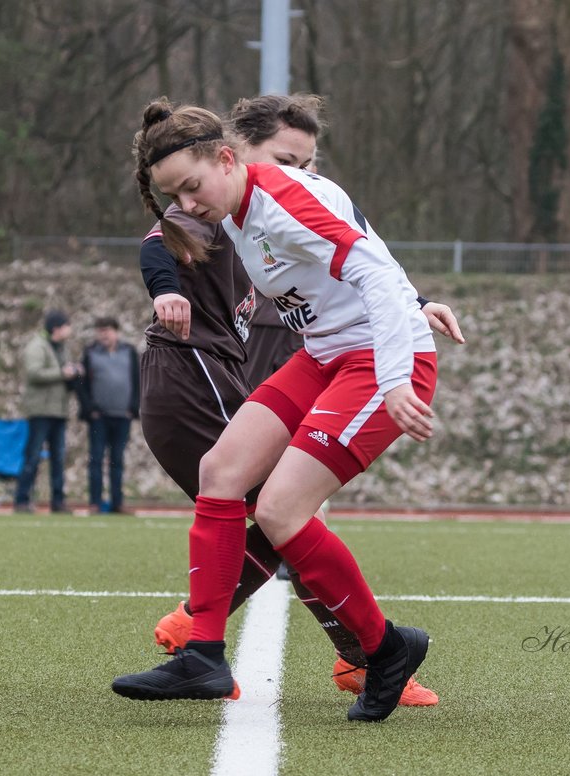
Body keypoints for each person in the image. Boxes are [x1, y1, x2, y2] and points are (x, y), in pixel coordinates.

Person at [113, 99, 446, 722]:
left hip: (377, 361)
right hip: (326, 355)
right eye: (173, 195)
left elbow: (372, 271)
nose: (186, 204)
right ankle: (205, 654)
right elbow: (367, 244)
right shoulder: (233, 209)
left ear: (227, 158)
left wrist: (400, 371)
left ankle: (383, 649)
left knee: (279, 510)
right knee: (221, 472)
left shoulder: (279, 202)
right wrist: (420, 298)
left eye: (192, 186)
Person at [14, 310, 80, 513]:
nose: (70, 330)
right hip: (40, 411)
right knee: (32, 456)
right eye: (67, 325)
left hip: (58, 411)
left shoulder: (62, 348)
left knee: (58, 458)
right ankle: (22, 500)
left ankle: (58, 502)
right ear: (56, 328)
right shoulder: (37, 346)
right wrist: (62, 373)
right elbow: (34, 373)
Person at [77, 316, 140, 514]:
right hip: (99, 418)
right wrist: (90, 409)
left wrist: (134, 407)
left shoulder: (129, 352)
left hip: (123, 415)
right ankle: (95, 503)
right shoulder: (90, 353)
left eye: (107, 330)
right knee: (96, 460)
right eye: (100, 330)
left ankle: (117, 502)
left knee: (117, 460)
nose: (104, 334)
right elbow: (82, 385)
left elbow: (137, 380)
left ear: (116, 331)